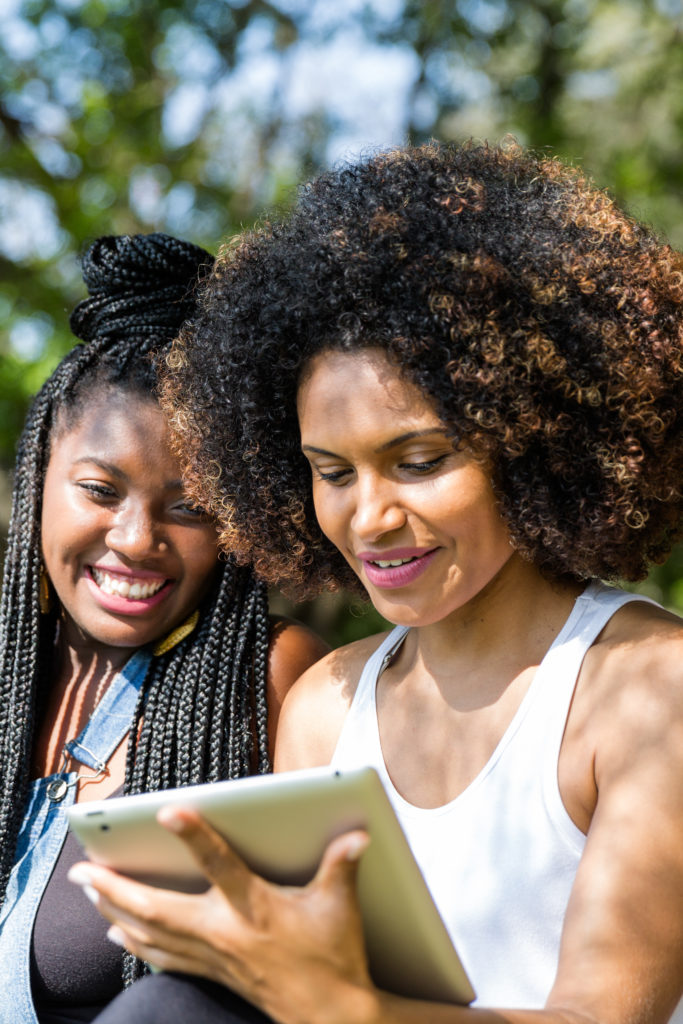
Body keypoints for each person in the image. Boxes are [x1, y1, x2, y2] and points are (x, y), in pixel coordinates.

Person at [74, 143, 683, 1024]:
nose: (370, 517)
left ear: (533, 441)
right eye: (332, 471)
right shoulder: (326, 703)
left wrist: (343, 1007)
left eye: (420, 460)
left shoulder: (647, 687)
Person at [0, 231, 327, 1024]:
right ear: (42, 475)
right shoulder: (15, 674)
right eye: (100, 490)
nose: (137, 538)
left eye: (189, 508)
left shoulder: (273, 682)